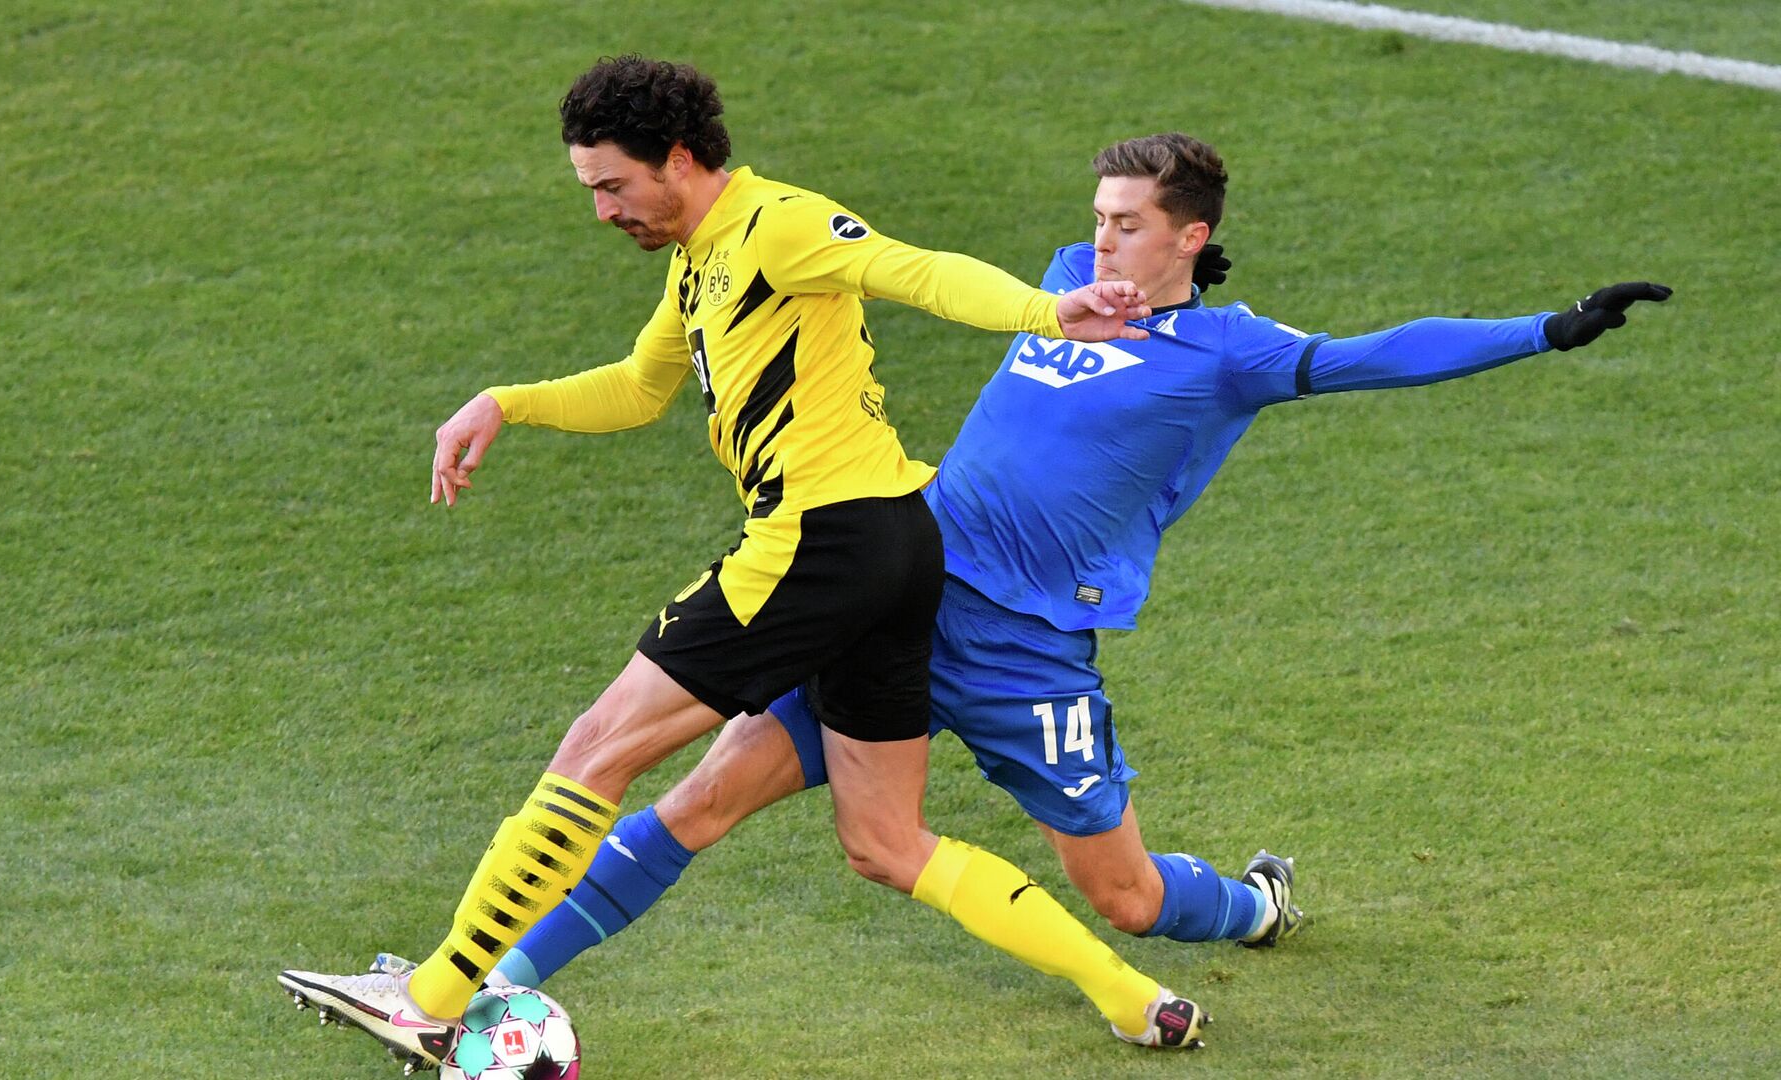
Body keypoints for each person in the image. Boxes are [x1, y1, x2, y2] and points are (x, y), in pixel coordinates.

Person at [371, 132, 1672, 1039]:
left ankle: (1252, 908)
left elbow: (1379, 356)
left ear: (1191, 237)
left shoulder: (1232, 354)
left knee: (1130, 894)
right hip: (904, 582)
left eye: (1127, 224)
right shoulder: (1061, 282)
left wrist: (1546, 330)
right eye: (1096, 216)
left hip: (1030, 653)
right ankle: (479, 984)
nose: (1098, 237)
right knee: (706, 798)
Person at [280, 58, 1217, 1073]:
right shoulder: (699, 261)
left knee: (597, 747)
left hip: (822, 543)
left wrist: (1049, 311)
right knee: (887, 843)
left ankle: (428, 997)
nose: (601, 210)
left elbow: (913, 269)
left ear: (678, 160)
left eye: (612, 185)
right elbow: (640, 389)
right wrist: (506, 401)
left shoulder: (780, 224)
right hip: (896, 546)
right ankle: (1135, 1001)